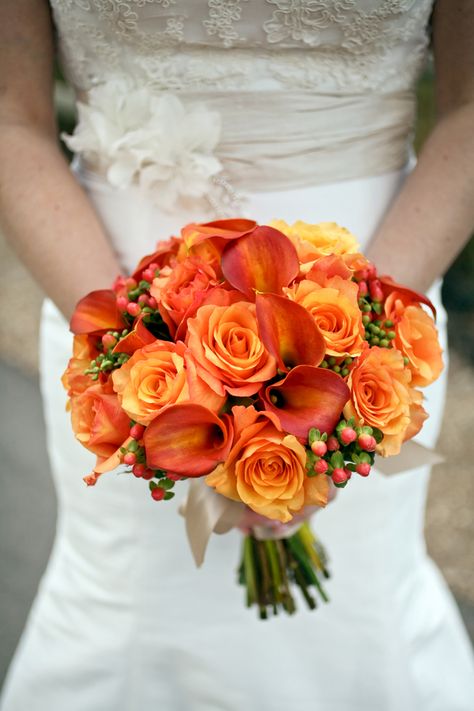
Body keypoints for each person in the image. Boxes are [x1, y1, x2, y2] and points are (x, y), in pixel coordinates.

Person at [1, 1, 473, 709]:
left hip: (380, 290)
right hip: (104, 298)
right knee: (128, 605)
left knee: (358, 605)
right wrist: (132, 348)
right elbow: (12, 117)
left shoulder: (367, 337)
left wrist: (359, 350)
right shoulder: (122, 345)